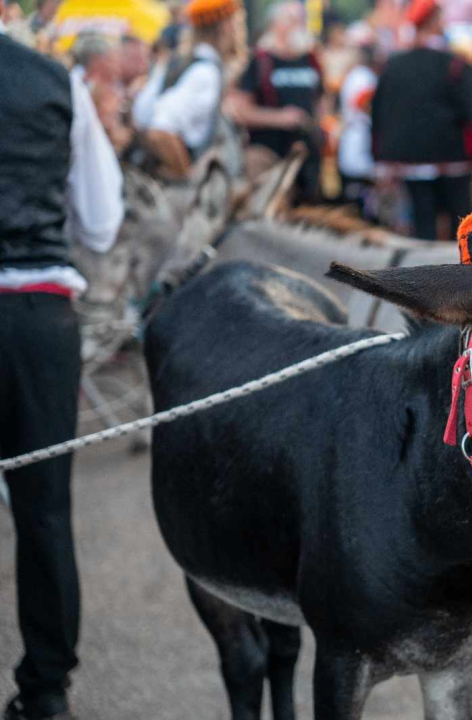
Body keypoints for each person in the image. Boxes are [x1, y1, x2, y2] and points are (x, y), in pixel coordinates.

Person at [0, 6, 124, 718]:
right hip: (38, 315)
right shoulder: (56, 81)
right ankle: (46, 691)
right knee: (44, 510)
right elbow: (100, 223)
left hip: (35, 306)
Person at [370, 0, 472, 240]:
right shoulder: (455, 65)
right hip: (453, 159)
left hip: (411, 161)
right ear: (435, 21)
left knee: (423, 224)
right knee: (461, 226)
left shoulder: (394, 65)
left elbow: (380, 112)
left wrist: (382, 156)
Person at [132, 0, 245, 179]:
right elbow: (160, 130)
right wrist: (186, 178)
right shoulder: (205, 73)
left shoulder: (174, 62)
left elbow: (141, 115)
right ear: (225, 26)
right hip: (180, 191)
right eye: (237, 23)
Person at [232, 1, 324, 199]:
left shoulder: (310, 59)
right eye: (293, 20)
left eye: (301, 20)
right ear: (276, 24)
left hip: (305, 154)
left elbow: (321, 98)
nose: (299, 26)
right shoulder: (261, 60)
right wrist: (280, 118)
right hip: (268, 152)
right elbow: (240, 110)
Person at [338, 55, 377, 220]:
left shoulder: (356, 75)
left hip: (357, 134)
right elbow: (362, 102)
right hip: (359, 134)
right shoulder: (362, 75)